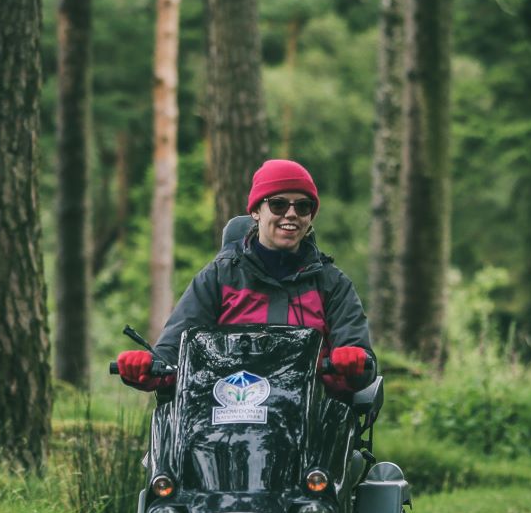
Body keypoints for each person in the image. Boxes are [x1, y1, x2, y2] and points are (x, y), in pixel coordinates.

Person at [115, 158, 376, 396]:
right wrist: (145, 367)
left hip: (310, 423)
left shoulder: (332, 284)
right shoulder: (218, 277)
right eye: (278, 204)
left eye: (303, 206)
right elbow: (174, 351)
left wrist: (353, 361)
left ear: (310, 216)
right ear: (256, 212)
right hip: (221, 422)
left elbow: (362, 359)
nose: (291, 214)